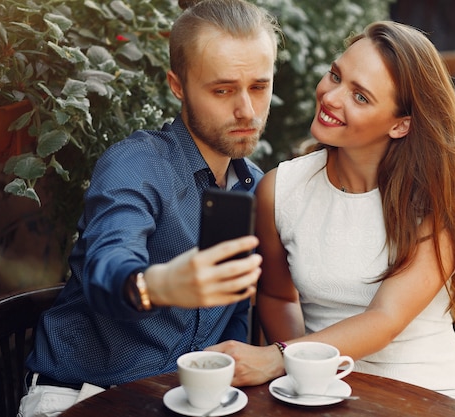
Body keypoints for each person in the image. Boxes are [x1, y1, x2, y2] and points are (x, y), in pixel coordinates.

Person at [208, 20, 455, 415]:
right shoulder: (280, 190)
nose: (331, 97)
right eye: (335, 75)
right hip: (325, 390)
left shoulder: (435, 202)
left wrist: (278, 357)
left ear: (401, 123)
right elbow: (278, 294)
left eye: (361, 96)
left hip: (426, 392)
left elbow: (385, 319)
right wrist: (304, 376)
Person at [17, 0, 280, 415]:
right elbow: (108, 263)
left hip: (186, 401)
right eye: (223, 90)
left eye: (259, 87)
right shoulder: (136, 165)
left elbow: (233, 317)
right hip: (83, 396)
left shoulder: (256, 187)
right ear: (178, 86)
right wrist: (156, 286)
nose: (246, 110)